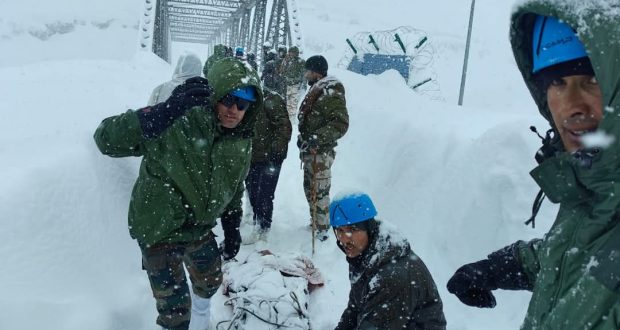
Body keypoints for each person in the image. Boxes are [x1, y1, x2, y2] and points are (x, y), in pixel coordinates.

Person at [446, 3, 620, 329]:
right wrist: (499, 268)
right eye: (556, 83)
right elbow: (582, 256)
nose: (570, 106)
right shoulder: (594, 190)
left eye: (591, 79)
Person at [93, 58, 263, 330]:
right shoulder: (178, 120)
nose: (234, 110)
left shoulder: (240, 141)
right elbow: (106, 139)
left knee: (210, 280)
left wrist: (232, 224)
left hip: (197, 225)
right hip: (160, 225)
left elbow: (234, 184)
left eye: (243, 104)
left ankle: (202, 322)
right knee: (175, 312)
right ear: (215, 95)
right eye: (229, 100)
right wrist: (160, 113)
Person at [330, 192, 447, 329]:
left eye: (352, 229)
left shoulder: (392, 276)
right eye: (339, 230)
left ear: (369, 228)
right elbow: (355, 309)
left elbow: (375, 325)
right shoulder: (364, 255)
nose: (344, 239)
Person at [297, 55, 349, 241]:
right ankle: (316, 222)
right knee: (309, 188)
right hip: (312, 151)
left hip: (321, 152)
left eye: (308, 71)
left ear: (316, 72)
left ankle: (322, 231)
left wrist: (316, 139)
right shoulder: (319, 89)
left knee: (319, 191)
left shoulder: (331, 91)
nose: (305, 75)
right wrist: (304, 139)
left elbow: (340, 124)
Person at [244, 84, 292, 243]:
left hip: (269, 158)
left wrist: (276, 153)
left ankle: (263, 229)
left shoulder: (271, 99)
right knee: (252, 192)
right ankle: (258, 222)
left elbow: (284, 127)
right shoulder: (246, 98)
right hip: (251, 157)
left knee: (264, 194)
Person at [279, 46, 306, 120]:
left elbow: (304, 74)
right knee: (287, 103)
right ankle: (288, 118)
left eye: (291, 52)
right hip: (287, 84)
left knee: (293, 103)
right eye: (289, 52)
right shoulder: (286, 61)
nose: (290, 53)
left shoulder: (301, 62)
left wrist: (303, 84)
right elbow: (281, 72)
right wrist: (285, 61)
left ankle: (292, 120)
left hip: (296, 85)